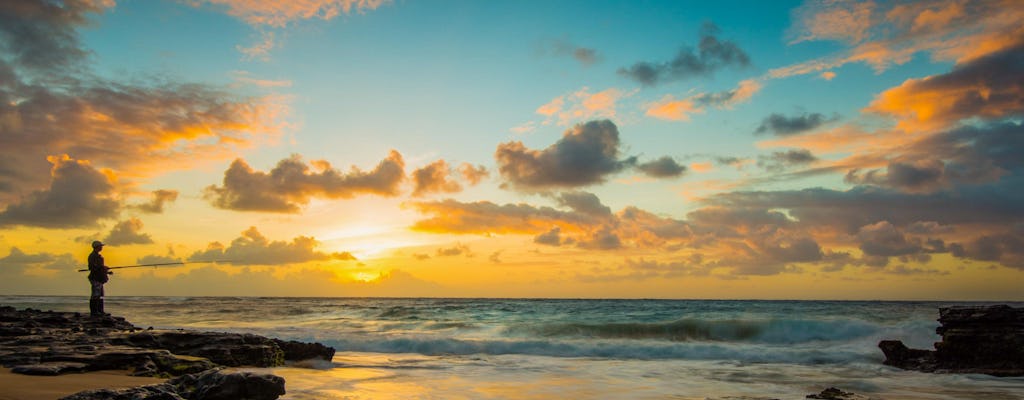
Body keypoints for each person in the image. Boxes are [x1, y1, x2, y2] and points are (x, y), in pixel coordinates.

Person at [87, 240, 112, 316]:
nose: (102, 247)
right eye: (100, 246)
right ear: (96, 247)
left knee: (100, 295)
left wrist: (106, 271)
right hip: (95, 278)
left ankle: (100, 311)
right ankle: (94, 312)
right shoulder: (92, 256)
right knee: (95, 295)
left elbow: (99, 268)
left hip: (99, 278)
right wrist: (103, 268)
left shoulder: (98, 256)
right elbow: (92, 267)